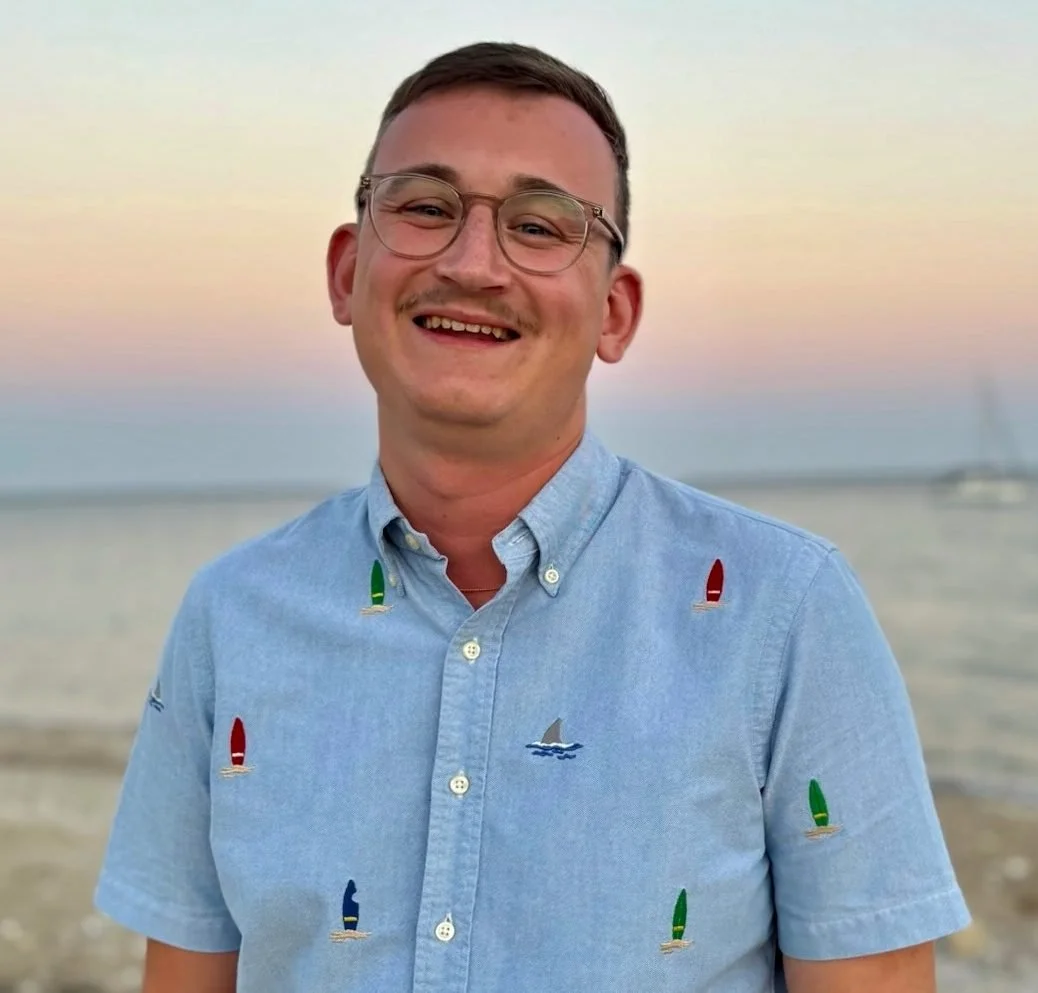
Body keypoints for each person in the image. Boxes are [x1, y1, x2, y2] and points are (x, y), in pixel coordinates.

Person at [95, 40, 970, 993]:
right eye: (426, 207)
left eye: (543, 225)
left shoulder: (785, 612)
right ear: (347, 272)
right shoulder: (234, 616)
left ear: (614, 313)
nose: (474, 262)